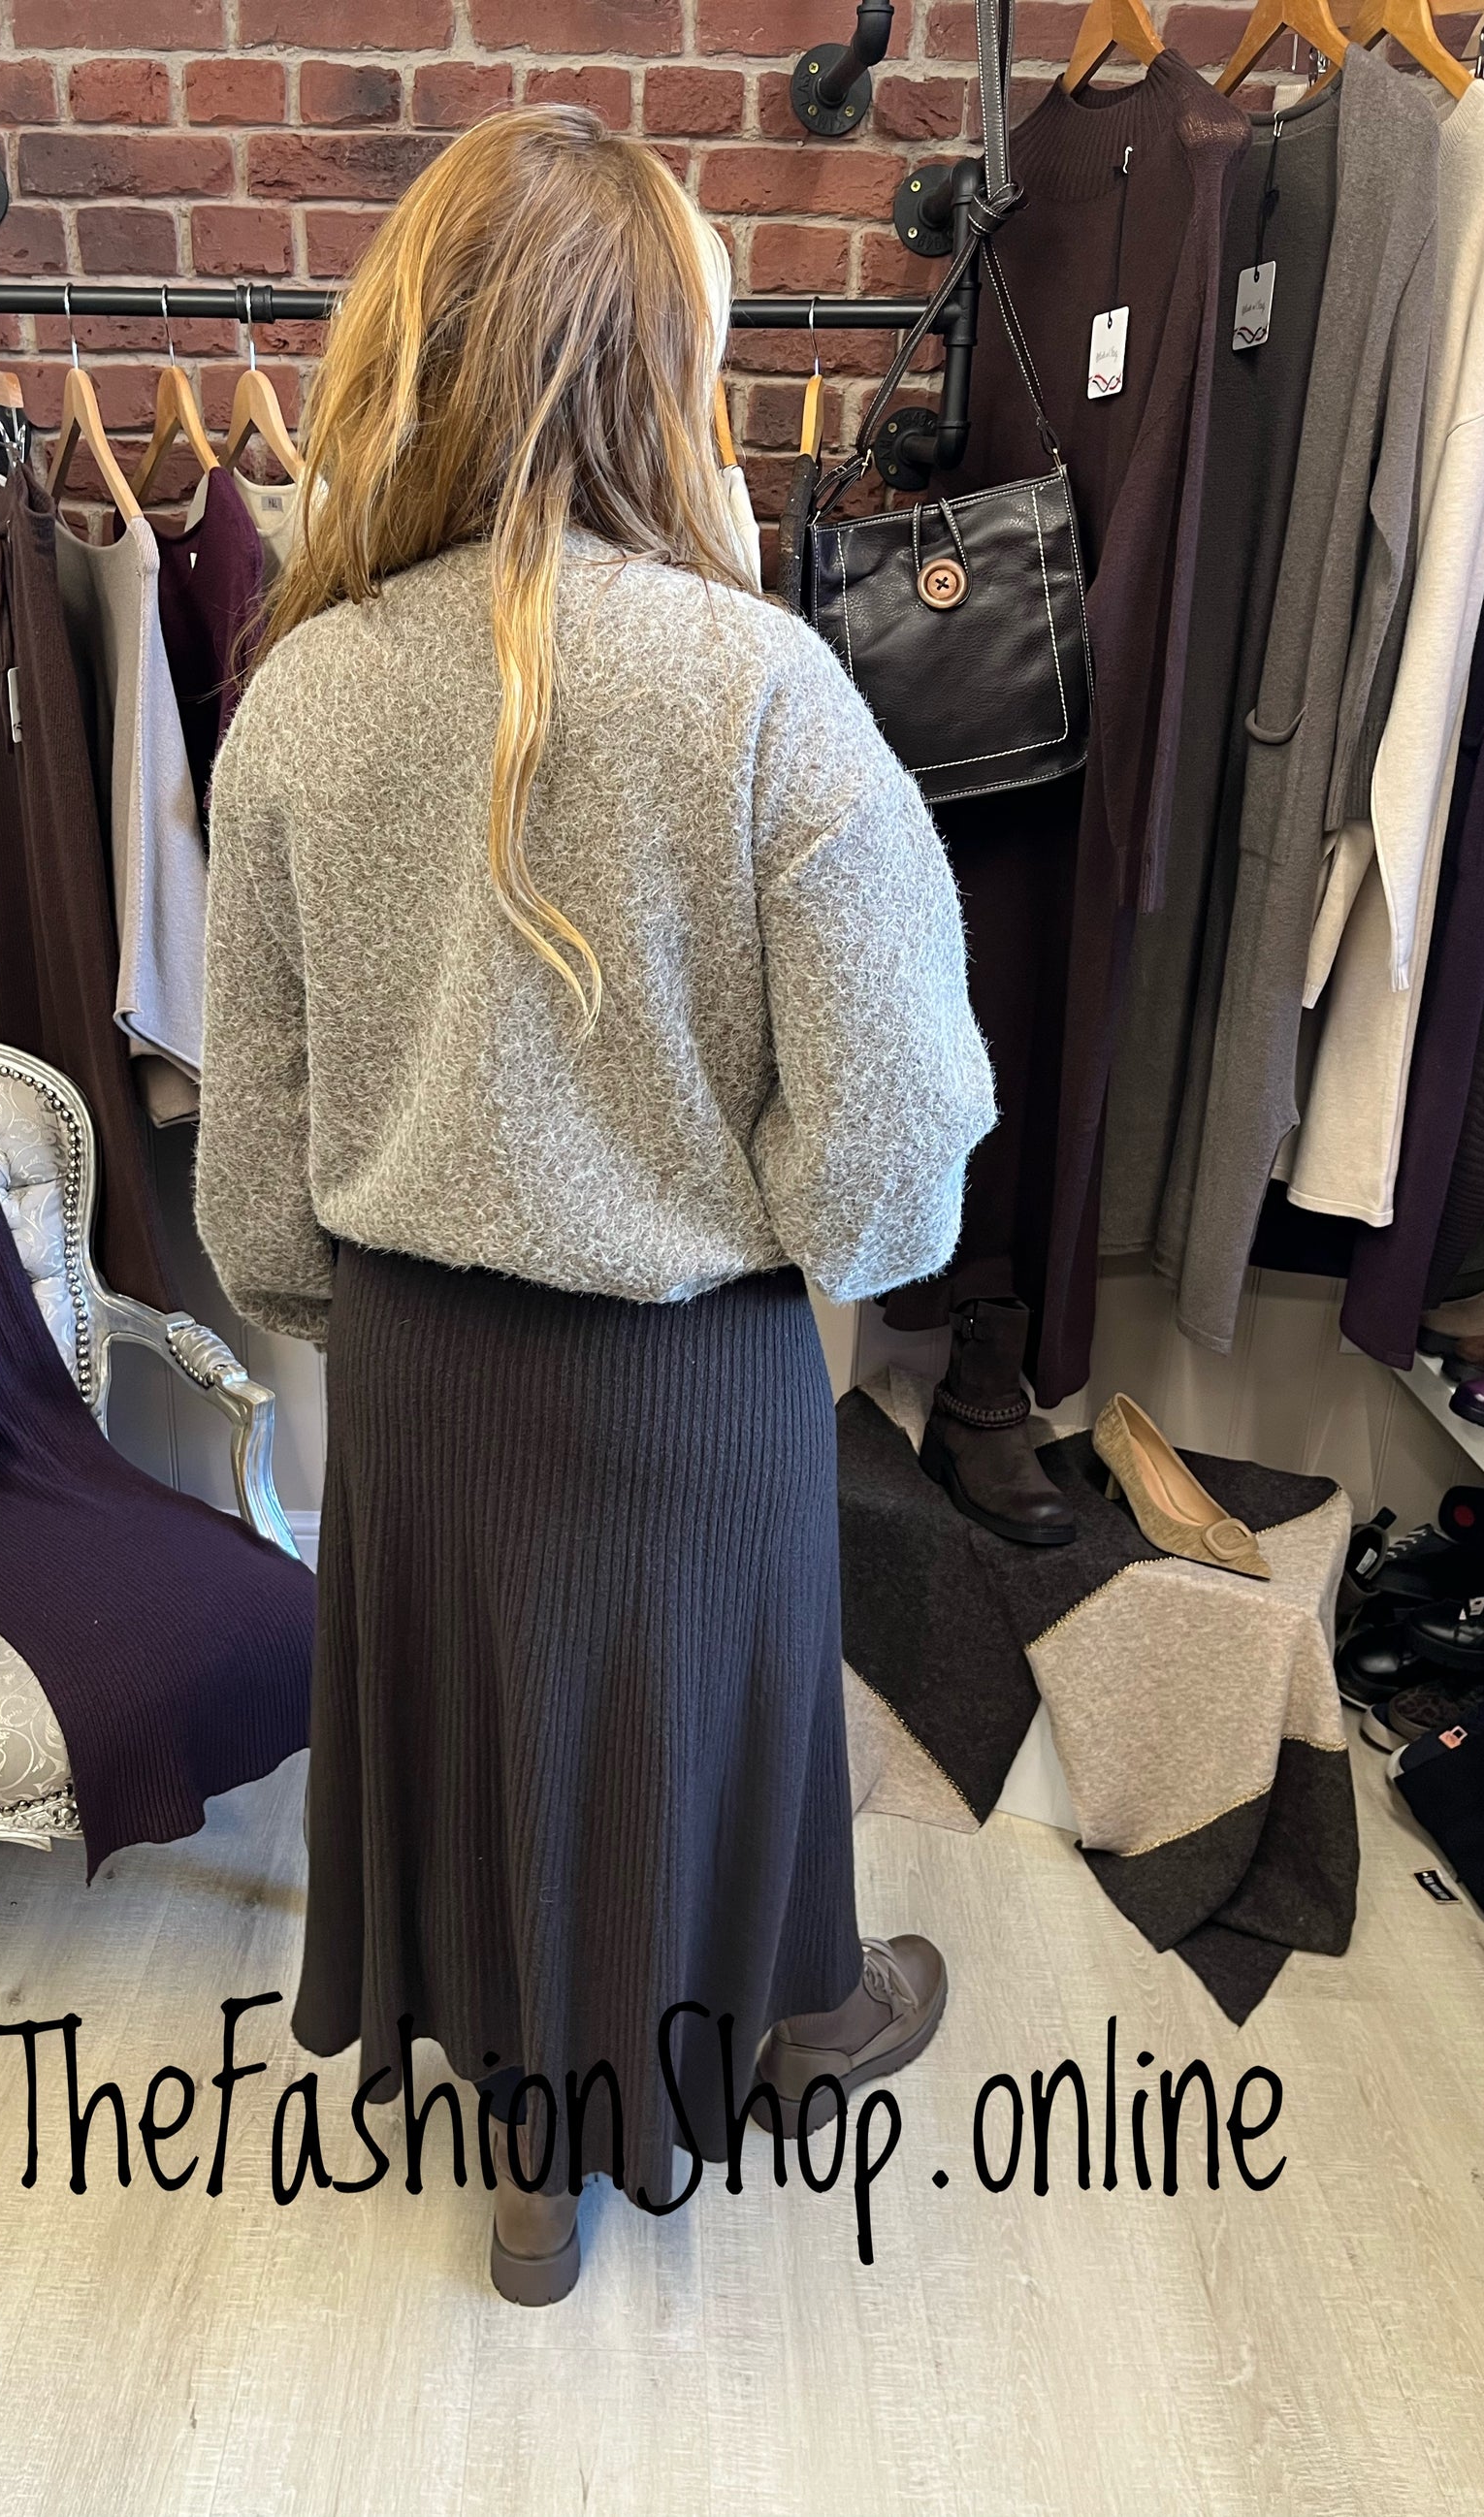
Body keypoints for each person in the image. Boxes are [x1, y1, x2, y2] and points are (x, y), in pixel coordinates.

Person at [195, 104, 997, 2306]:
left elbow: (252, 1166)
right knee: (697, 1732)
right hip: (688, 1384)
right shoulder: (765, 691)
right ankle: (784, 2018)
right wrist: (766, 1221)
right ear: (663, 363)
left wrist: (365, 1291)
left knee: (491, 1738)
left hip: (421, 1381)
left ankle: (535, 2154)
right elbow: (891, 1156)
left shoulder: (297, 695)